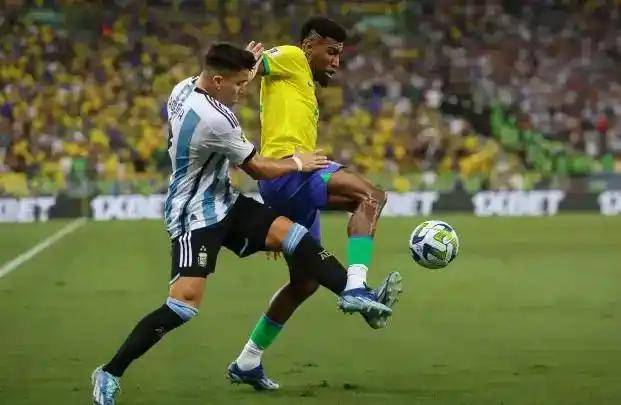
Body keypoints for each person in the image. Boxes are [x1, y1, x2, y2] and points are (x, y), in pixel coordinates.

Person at [91, 42, 392, 404]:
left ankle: (355, 293)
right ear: (218, 82)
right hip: (194, 215)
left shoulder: (183, 88)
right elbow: (259, 168)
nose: (242, 91)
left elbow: (223, 93)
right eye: (238, 85)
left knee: (294, 236)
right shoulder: (216, 120)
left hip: (225, 201)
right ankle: (109, 372)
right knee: (183, 305)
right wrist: (299, 162)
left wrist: (247, 70)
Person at [227, 17, 403, 389]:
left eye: (340, 55)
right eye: (332, 52)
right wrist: (245, 65)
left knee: (305, 283)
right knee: (371, 195)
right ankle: (357, 286)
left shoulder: (303, 82)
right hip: (291, 173)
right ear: (310, 45)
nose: (336, 62)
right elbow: (260, 63)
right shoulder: (293, 57)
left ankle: (247, 361)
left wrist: (279, 217)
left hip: (286, 186)